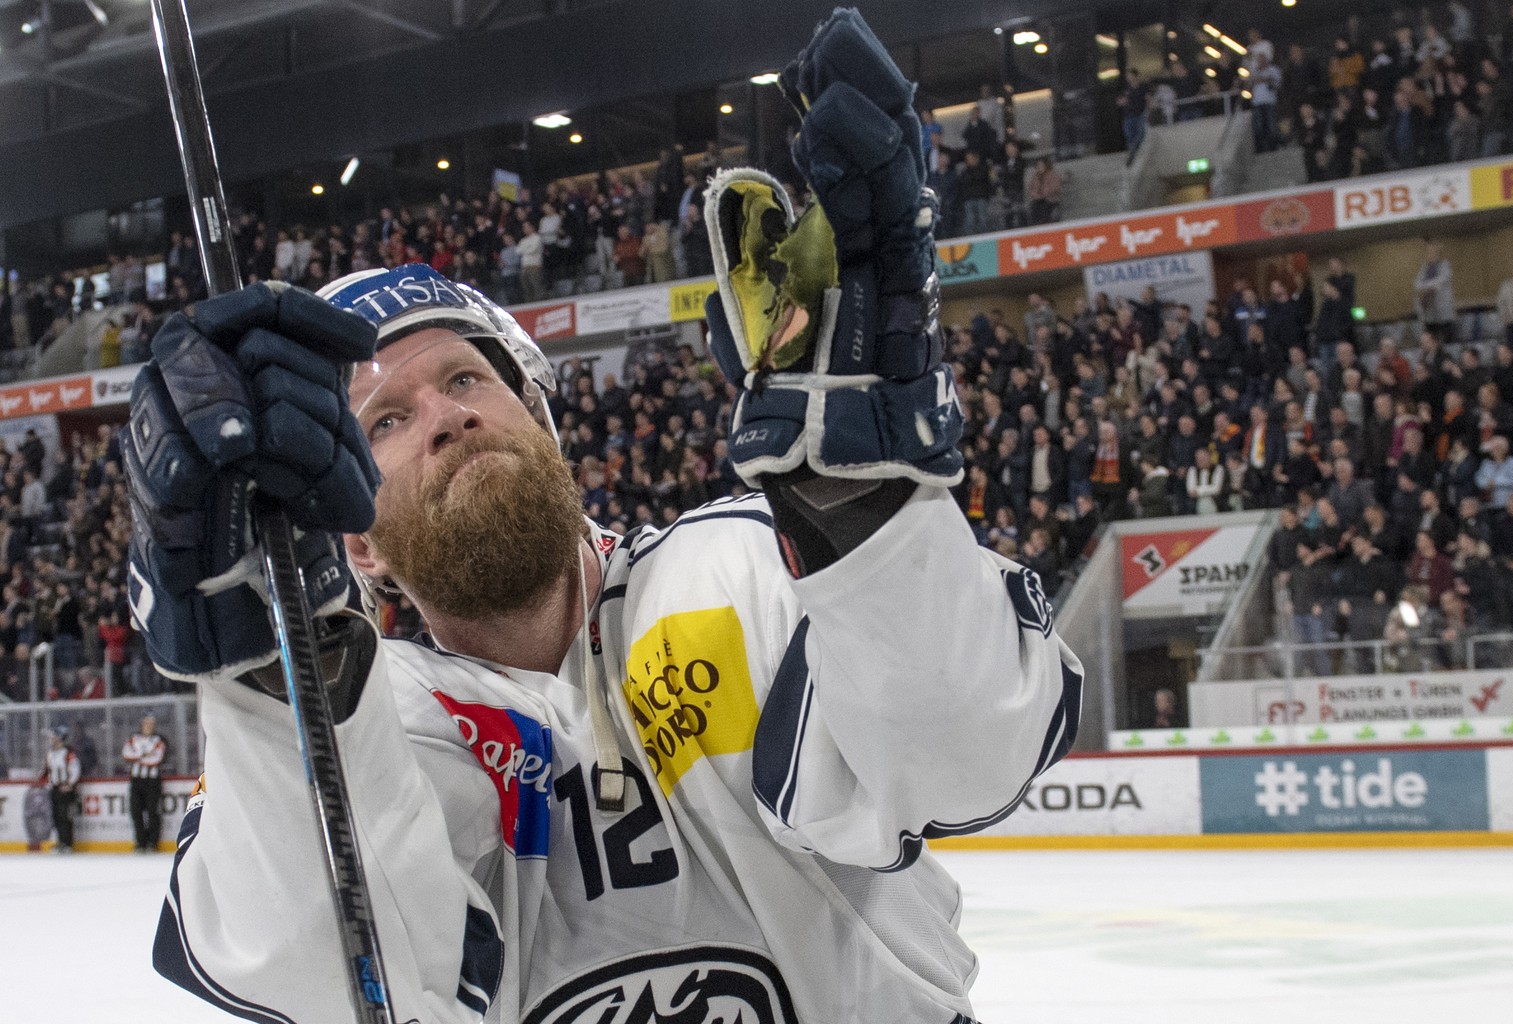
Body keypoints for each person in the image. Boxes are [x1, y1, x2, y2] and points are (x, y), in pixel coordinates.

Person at [126, 13, 1081, 1022]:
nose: (446, 415)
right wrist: (274, 670)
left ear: (544, 425)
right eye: (389, 420)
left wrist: (867, 514)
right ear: (351, 537)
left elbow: (964, 752)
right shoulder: (388, 711)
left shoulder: (738, 564)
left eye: (464, 377)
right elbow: (324, 964)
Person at [122, 714, 166, 854]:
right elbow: (126, 755)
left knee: (153, 812)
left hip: (152, 781)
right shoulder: (134, 738)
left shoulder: (158, 740)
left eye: (151, 723)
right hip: (136, 780)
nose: (148, 726)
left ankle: (152, 842)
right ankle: (140, 842)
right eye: (146, 723)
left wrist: (138, 756)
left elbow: (156, 759)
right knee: (136, 811)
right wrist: (144, 755)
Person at [41, 725, 80, 853]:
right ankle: (60, 842)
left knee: (65, 817)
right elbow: (47, 771)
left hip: (65, 789)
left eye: (54, 736)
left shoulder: (68, 753)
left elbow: (75, 770)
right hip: (55, 789)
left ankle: (67, 843)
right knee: (56, 817)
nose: (51, 738)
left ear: (60, 737)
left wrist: (70, 784)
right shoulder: (50, 753)